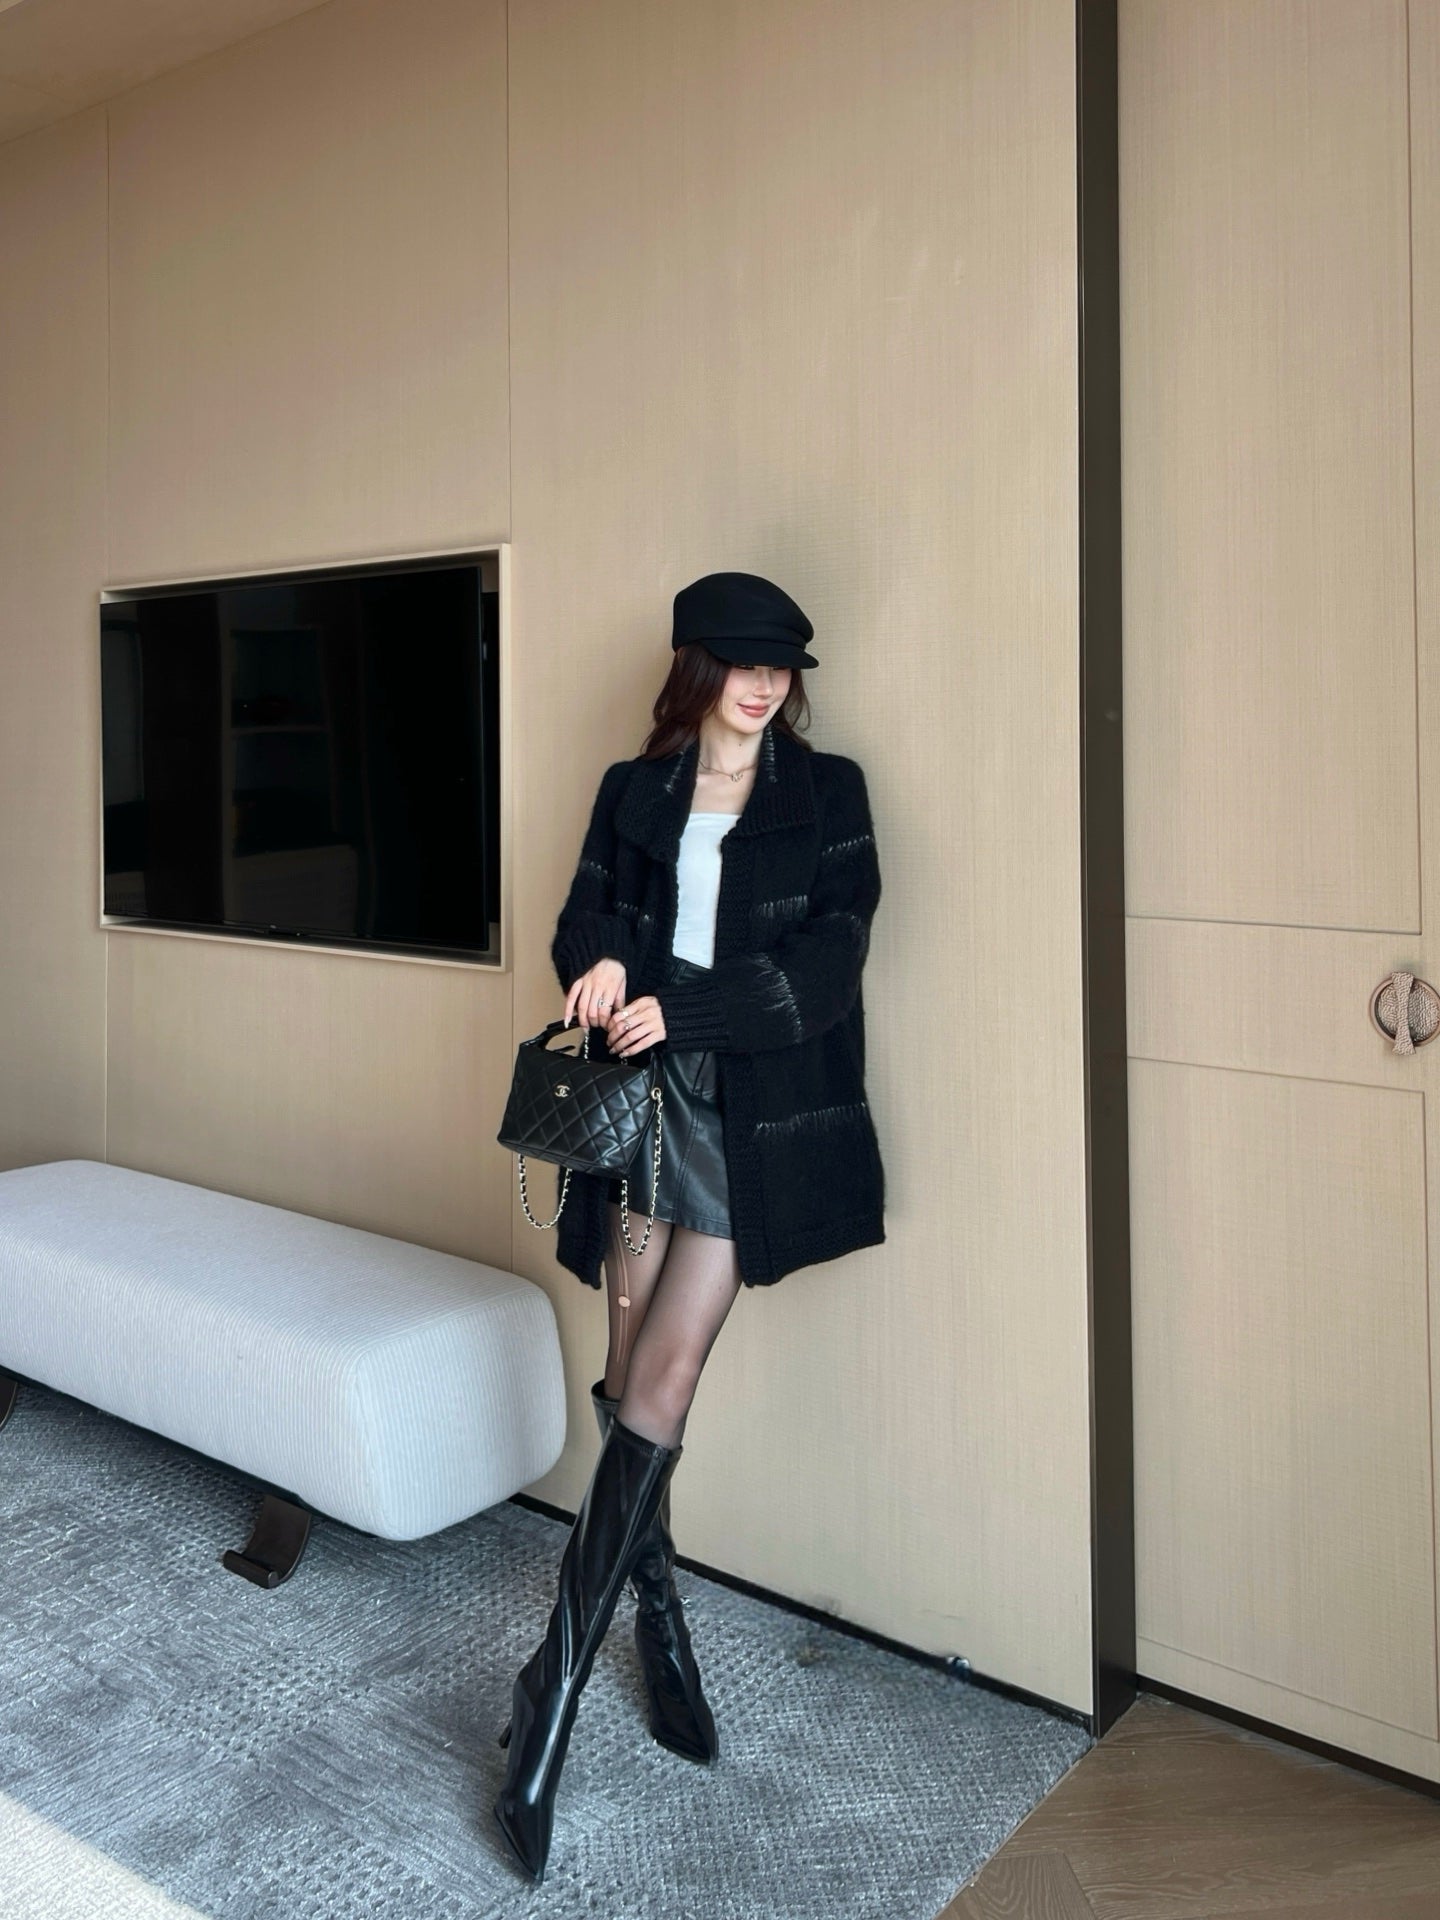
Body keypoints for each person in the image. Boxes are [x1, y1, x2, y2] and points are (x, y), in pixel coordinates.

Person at [492, 570, 885, 1885]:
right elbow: (586, 920)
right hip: (639, 1114)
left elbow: (831, 965)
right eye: (742, 662)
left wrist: (694, 1010)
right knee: (625, 1382)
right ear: (696, 669)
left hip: (745, 1119)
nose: (765, 686)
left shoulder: (829, 796)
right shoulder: (636, 790)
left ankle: (548, 1693)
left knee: (662, 1377)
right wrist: (599, 964)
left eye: (782, 666)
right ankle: (657, 1625)